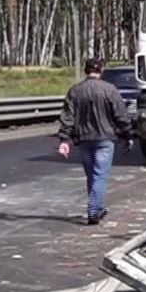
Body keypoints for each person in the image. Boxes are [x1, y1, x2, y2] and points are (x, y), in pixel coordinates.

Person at [57, 57, 134, 225]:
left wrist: (64, 139)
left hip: (84, 139)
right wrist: (127, 134)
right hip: (105, 138)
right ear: (102, 70)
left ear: (86, 70)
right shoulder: (110, 90)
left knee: (92, 175)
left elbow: (67, 117)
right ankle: (94, 210)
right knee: (99, 174)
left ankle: (97, 207)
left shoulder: (75, 91)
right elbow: (120, 115)